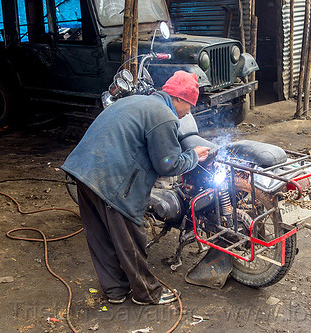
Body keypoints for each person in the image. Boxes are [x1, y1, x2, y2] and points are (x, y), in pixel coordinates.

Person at [62, 71, 210, 305]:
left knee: (101, 236)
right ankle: (147, 293)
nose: (187, 114)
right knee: (130, 237)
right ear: (179, 99)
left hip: (83, 170)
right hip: (110, 179)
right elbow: (168, 164)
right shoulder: (164, 115)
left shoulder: (137, 100)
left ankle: (116, 291)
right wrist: (193, 155)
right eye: (189, 107)